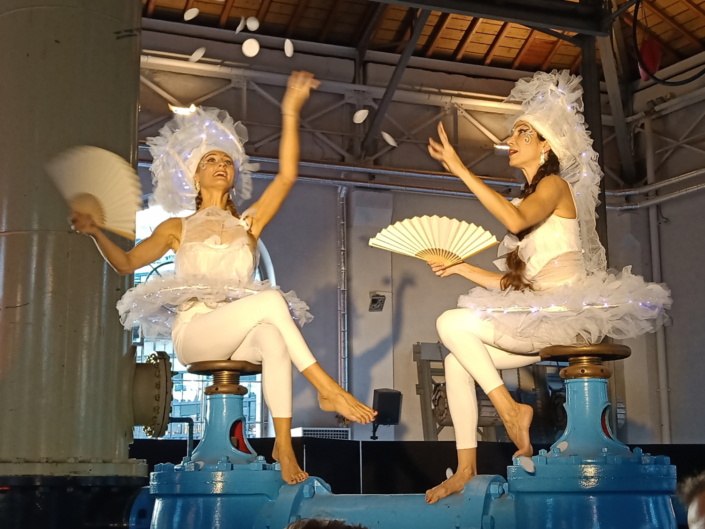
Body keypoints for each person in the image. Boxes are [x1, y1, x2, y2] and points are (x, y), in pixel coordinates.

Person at [70, 71, 376, 486]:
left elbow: (287, 175)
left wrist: (289, 111)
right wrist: (95, 232)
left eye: (227, 162)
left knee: (272, 333)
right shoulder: (176, 227)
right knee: (271, 304)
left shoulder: (248, 224)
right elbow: (125, 264)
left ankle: (282, 444)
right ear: (195, 178)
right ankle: (328, 389)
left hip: (235, 329)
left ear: (233, 178)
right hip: (195, 332)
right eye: (210, 160)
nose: (220, 165)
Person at [423, 70, 671, 504]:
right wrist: (460, 268)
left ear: (546, 146)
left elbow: (515, 221)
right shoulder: (530, 200)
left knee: (451, 321)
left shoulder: (555, 187)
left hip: (561, 317)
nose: (513, 139)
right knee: (456, 359)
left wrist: (461, 169)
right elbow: (515, 283)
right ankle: (465, 468)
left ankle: (509, 410)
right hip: (538, 316)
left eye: (525, 133)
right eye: (514, 132)